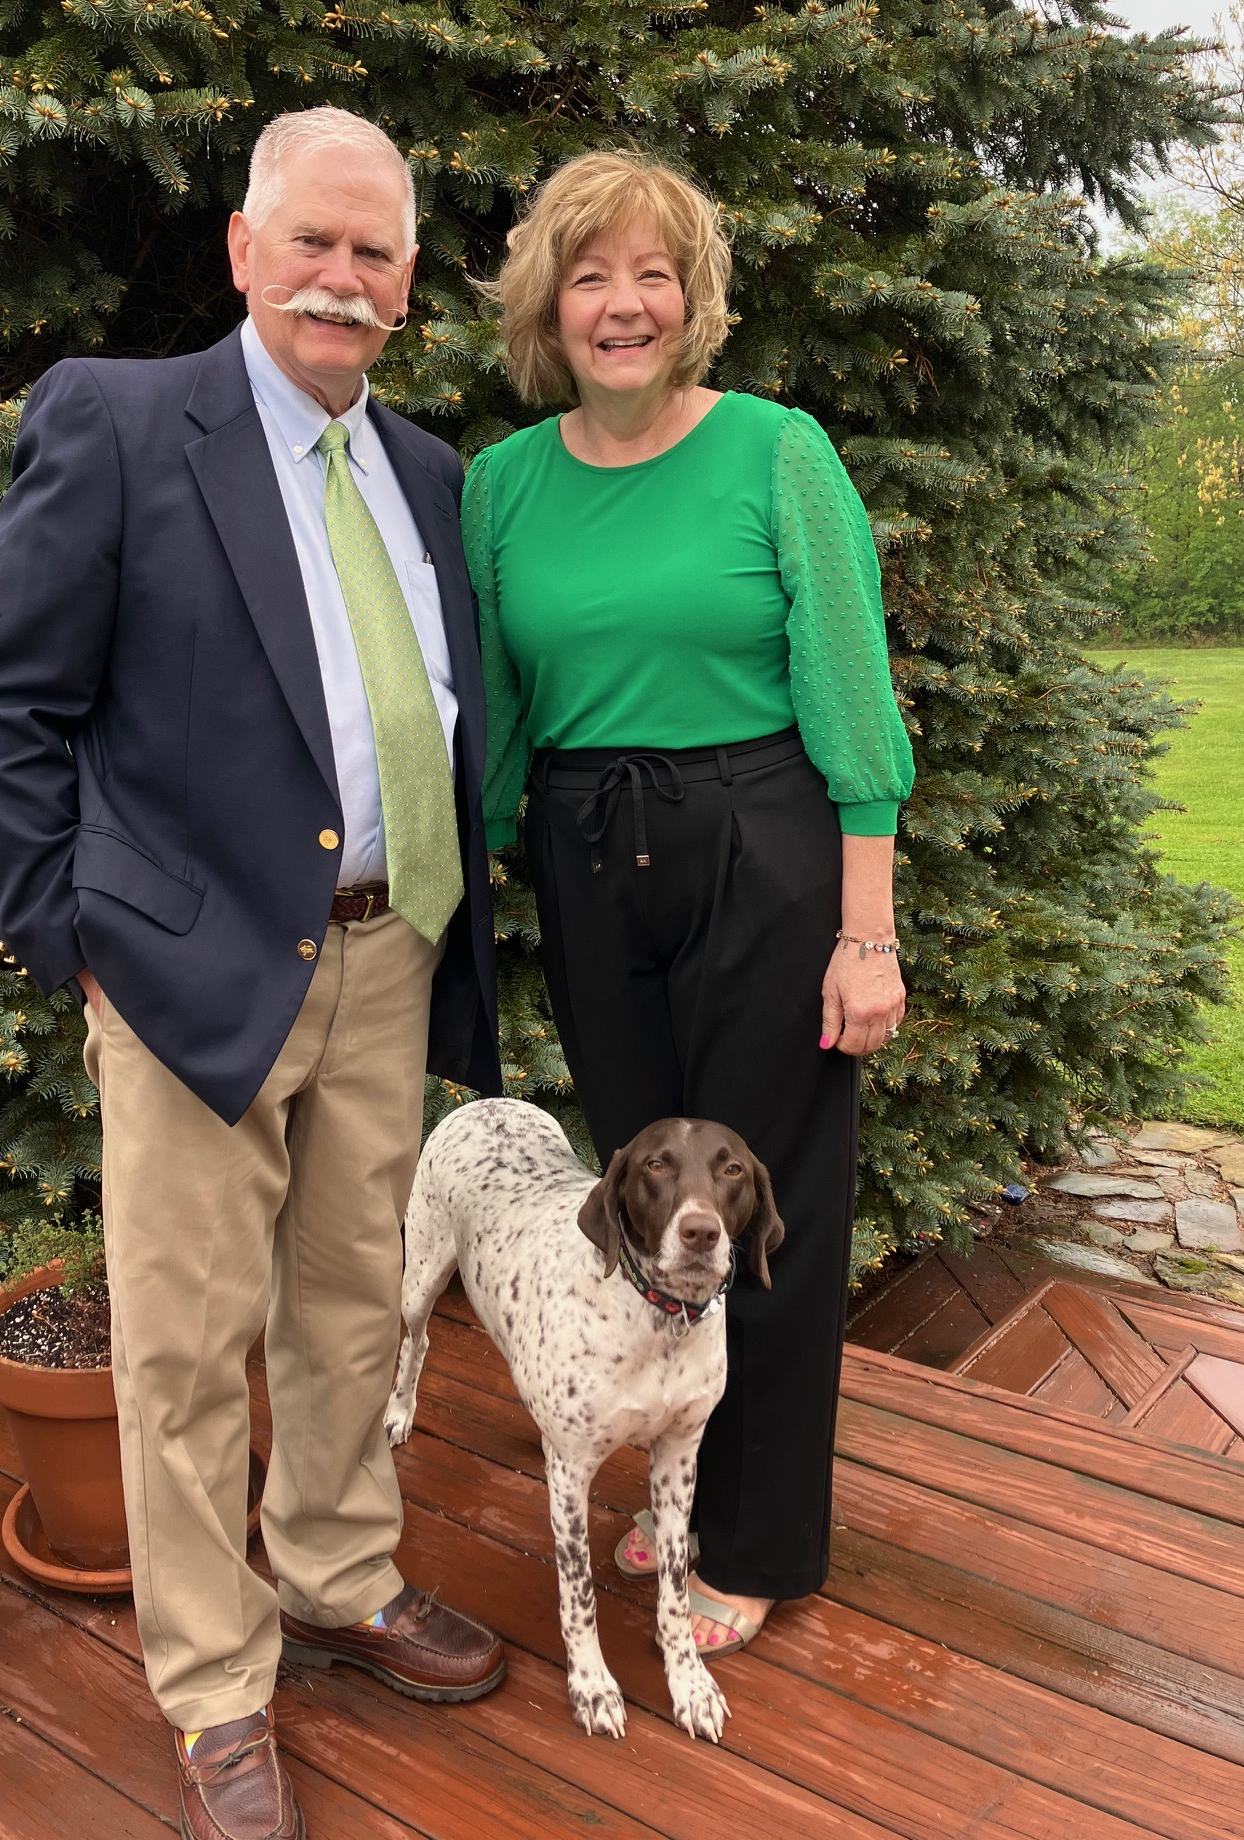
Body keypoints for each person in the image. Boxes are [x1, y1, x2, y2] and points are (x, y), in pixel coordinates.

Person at [0, 108, 505, 1840]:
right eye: (313, 242)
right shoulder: (118, 423)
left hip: (386, 951)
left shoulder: (428, 475)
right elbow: (1, 709)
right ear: (245, 250)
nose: (344, 277)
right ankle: (216, 1688)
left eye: (377, 251)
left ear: (410, 282)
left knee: (350, 1305)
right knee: (182, 1350)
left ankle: (336, 1574)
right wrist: (78, 944)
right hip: (184, 980)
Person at [462, 150, 915, 1657]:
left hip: (759, 848)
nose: (624, 303)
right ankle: (682, 1486)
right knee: (648, 1204)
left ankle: (762, 1542)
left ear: (693, 297)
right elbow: (507, 716)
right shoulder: (503, 485)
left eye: (652, 273)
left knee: (760, 1203)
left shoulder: (777, 454)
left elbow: (851, 702)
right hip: (589, 857)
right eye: (591, 275)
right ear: (548, 304)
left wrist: (868, 932)